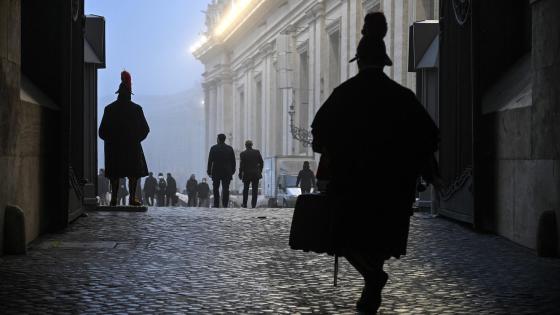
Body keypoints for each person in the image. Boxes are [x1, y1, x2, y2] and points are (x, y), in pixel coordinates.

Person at [310, 12, 439, 313]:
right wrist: (427, 171)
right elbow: (427, 135)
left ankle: (372, 277)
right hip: (393, 185)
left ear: (359, 60)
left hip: (351, 183)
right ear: (384, 63)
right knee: (380, 237)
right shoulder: (403, 96)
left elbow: (319, 136)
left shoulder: (343, 94)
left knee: (343, 236)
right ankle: (372, 282)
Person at [99, 71, 150, 206]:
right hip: (132, 148)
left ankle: (114, 198)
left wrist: (111, 141)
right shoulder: (137, 109)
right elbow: (146, 129)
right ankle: (132, 199)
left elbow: (102, 132)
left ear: (119, 93)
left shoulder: (109, 109)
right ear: (129, 94)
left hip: (114, 149)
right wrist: (135, 139)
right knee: (133, 175)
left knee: (114, 176)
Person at [207, 134, 236, 208]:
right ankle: (225, 204)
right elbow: (233, 161)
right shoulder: (229, 148)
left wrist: (209, 171)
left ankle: (216, 204)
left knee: (215, 188)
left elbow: (210, 161)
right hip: (227, 172)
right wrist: (232, 171)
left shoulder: (213, 148)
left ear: (218, 139)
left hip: (216, 171)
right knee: (226, 188)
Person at [239, 140, 264, 208]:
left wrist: (240, 173)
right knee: (255, 190)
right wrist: (260, 170)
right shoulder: (257, 152)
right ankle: (253, 204)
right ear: (252, 145)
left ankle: (245, 204)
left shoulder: (243, 154)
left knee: (246, 189)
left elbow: (241, 165)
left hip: (246, 174)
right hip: (255, 174)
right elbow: (261, 162)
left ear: (245, 145)